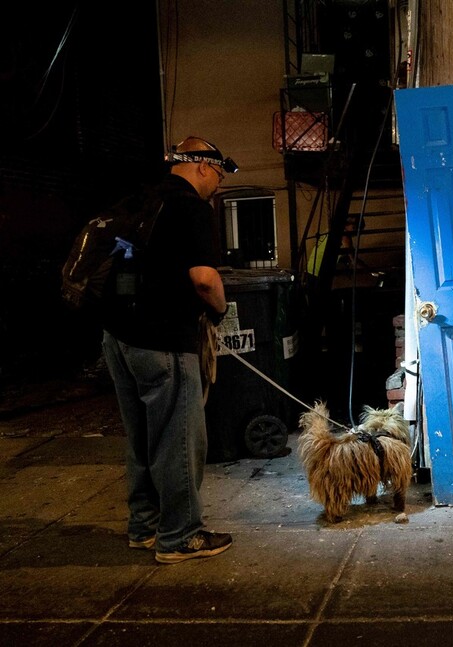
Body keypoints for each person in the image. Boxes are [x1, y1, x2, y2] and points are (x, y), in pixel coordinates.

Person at [102, 136, 237, 563]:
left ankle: (144, 526)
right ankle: (179, 536)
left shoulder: (139, 202)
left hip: (119, 337)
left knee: (141, 436)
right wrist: (220, 311)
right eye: (217, 173)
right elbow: (204, 279)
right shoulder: (191, 207)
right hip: (164, 340)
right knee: (179, 438)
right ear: (201, 166)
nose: (216, 183)